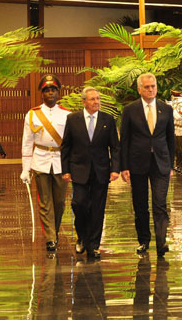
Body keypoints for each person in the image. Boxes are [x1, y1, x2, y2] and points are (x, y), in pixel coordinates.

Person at [61, 87, 120, 259]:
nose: (96, 102)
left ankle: (93, 245)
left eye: (98, 99)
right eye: (93, 99)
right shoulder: (73, 119)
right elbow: (66, 147)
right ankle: (82, 237)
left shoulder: (107, 120)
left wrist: (115, 169)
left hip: (101, 170)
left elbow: (115, 147)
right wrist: (65, 170)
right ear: (84, 102)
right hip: (78, 170)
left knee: (97, 208)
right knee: (78, 204)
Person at [120, 73, 175, 257]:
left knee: (160, 203)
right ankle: (144, 241)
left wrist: (171, 166)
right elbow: (125, 140)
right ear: (139, 89)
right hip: (137, 163)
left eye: (153, 86)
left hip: (161, 163)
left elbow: (170, 139)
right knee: (140, 204)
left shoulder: (166, 109)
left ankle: (161, 242)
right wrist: (124, 166)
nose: (151, 89)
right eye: (147, 87)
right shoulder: (130, 110)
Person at [21, 74, 70, 252]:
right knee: (45, 202)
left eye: (53, 89)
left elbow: (71, 143)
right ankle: (50, 238)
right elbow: (27, 142)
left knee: (59, 202)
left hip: (60, 163)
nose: (50, 93)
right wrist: (25, 169)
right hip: (40, 161)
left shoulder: (67, 114)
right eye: (46, 90)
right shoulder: (33, 114)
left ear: (58, 92)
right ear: (42, 93)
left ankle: (54, 232)